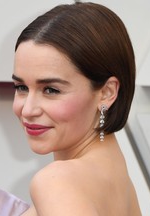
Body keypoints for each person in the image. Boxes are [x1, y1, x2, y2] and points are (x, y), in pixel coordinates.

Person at [12, 2, 142, 216]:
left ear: (107, 92)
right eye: (21, 87)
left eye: (51, 90)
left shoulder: (58, 182)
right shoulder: (117, 177)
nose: (27, 110)